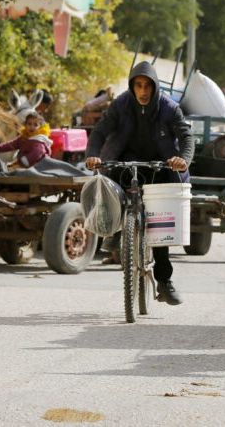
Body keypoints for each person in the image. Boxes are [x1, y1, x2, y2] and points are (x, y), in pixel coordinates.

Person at [85, 61, 194, 306]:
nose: (143, 91)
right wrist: (93, 155)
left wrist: (182, 160)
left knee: (159, 227)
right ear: (132, 87)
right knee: (105, 184)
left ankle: (164, 281)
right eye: (138, 86)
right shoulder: (120, 105)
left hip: (161, 166)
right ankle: (111, 230)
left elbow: (186, 136)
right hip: (124, 161)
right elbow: (100, 132)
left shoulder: (169, 108)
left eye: (147, 86)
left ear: (155, 87)